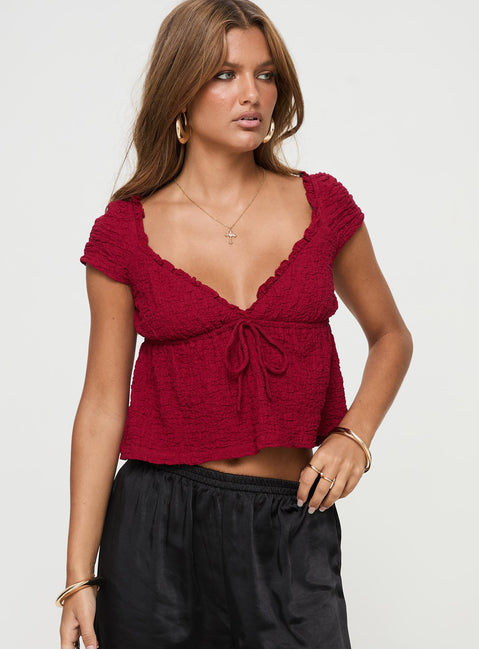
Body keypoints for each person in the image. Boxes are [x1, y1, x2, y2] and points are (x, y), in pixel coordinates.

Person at [57, 1, 413, 647]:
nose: (252, 94)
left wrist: (353, 434)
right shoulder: (125, 231)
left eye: (265, 74)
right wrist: (79, 576)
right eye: (224, 74)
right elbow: (103, 403)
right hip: (156, 526)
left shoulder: (323, 205)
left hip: (289, 516)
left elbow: (390, 334)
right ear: (179, 91)